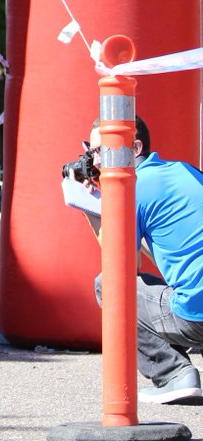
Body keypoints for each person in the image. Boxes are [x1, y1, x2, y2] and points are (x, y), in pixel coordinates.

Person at [68, 116, 203, 404]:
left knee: (108, 284)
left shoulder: (135, 188)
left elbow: (123, 268)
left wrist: (86, 208)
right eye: (89, 152)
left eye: (99, 151)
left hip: (196, 317)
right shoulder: (184, 171)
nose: (94, 161)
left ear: (135, 147)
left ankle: (174, 375)